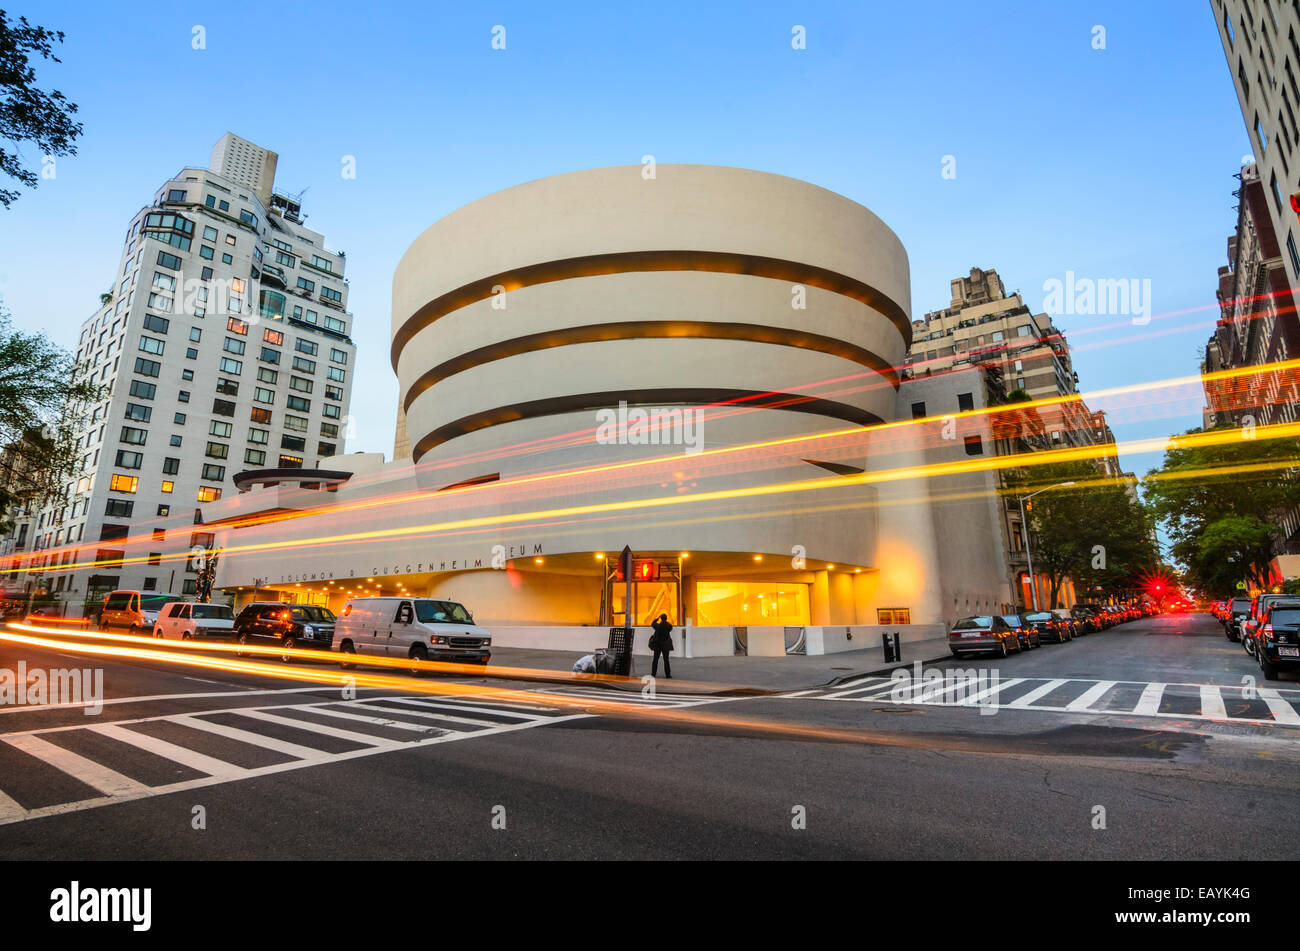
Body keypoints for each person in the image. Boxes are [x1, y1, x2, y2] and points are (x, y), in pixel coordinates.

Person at [649, 614, 674, 678]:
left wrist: (657, 618)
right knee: (666, 660)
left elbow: (652, 623)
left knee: (655, 660)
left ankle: (653, 674)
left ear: (661, 618)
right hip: (665, 645)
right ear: (666, 618)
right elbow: (671, 626)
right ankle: (668, 675)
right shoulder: (668, 626)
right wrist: (666, 621)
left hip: (658, 645)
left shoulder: (657, 626)